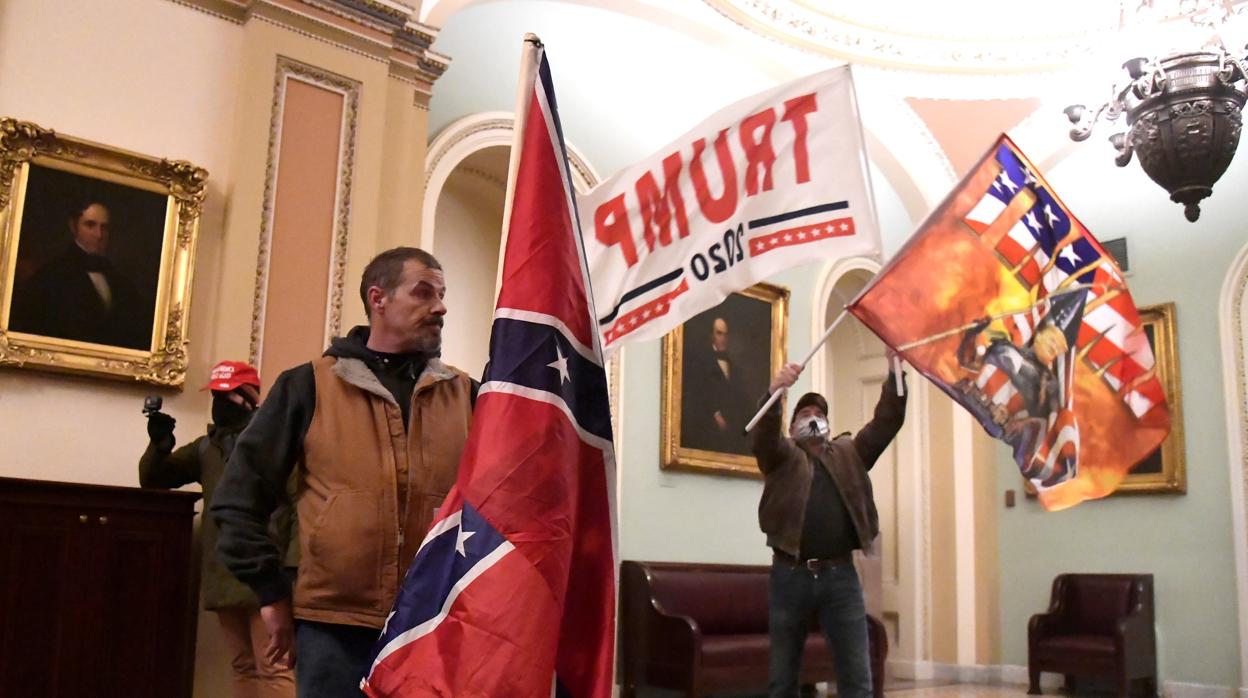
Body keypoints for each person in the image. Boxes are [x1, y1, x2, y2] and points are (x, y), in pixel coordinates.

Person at [210, 247, 477, 697]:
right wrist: (270, 592)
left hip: (437, 620)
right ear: (379, 298)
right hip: (335, 626)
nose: (441, 307)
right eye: (424, 292)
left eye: (443, 294)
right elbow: (239, 497)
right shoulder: (308, 385)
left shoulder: (467, 394)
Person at [139, 360, 296, 698]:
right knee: (242, 664)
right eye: (216, 394)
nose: (219, 402)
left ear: (249, 396)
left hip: (264, 568)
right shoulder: (206, 447)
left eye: (225, 394)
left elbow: (298, 506)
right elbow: (154, 479)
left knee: (275, 667)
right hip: (222, 570)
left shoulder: (274, 442)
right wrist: (160, 445)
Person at [752, 358, 906, 698]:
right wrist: (777, 390)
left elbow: (886, 422)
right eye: (804, 414)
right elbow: (762, 435)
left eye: (818, 414)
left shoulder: (850, 452)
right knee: (782, 679)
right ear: (792, 426)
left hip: (841, 578)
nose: (812, 419)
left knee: (857, 679)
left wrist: (895, 369)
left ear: (827, 423)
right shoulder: (780, 456)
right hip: (789, 576)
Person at [954, 292, 1085, 487]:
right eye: (1052, 341)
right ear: (1040, 333)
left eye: (1059, 348)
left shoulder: (1047, 386)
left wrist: (1025, 422)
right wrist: (972, 334)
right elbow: (967, 363)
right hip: (965, 398)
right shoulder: (1004, 347)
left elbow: (1048, 421)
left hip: (988, 423)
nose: (1055, 348)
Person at [10, 198, 149, 349]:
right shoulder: (50, 277)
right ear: (73, 226)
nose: (99, 234)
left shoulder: (120, 280)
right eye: (90, 225)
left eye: (105, 227)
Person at [683, 316, 749, 454]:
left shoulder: (733, 364)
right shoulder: (702, 361)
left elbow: (738, 396)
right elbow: (699, 393)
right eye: (719, 333)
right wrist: (715, 415)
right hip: (708, 425)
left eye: (725, 334)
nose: (723, 338)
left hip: (731, 427)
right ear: (711, 335)